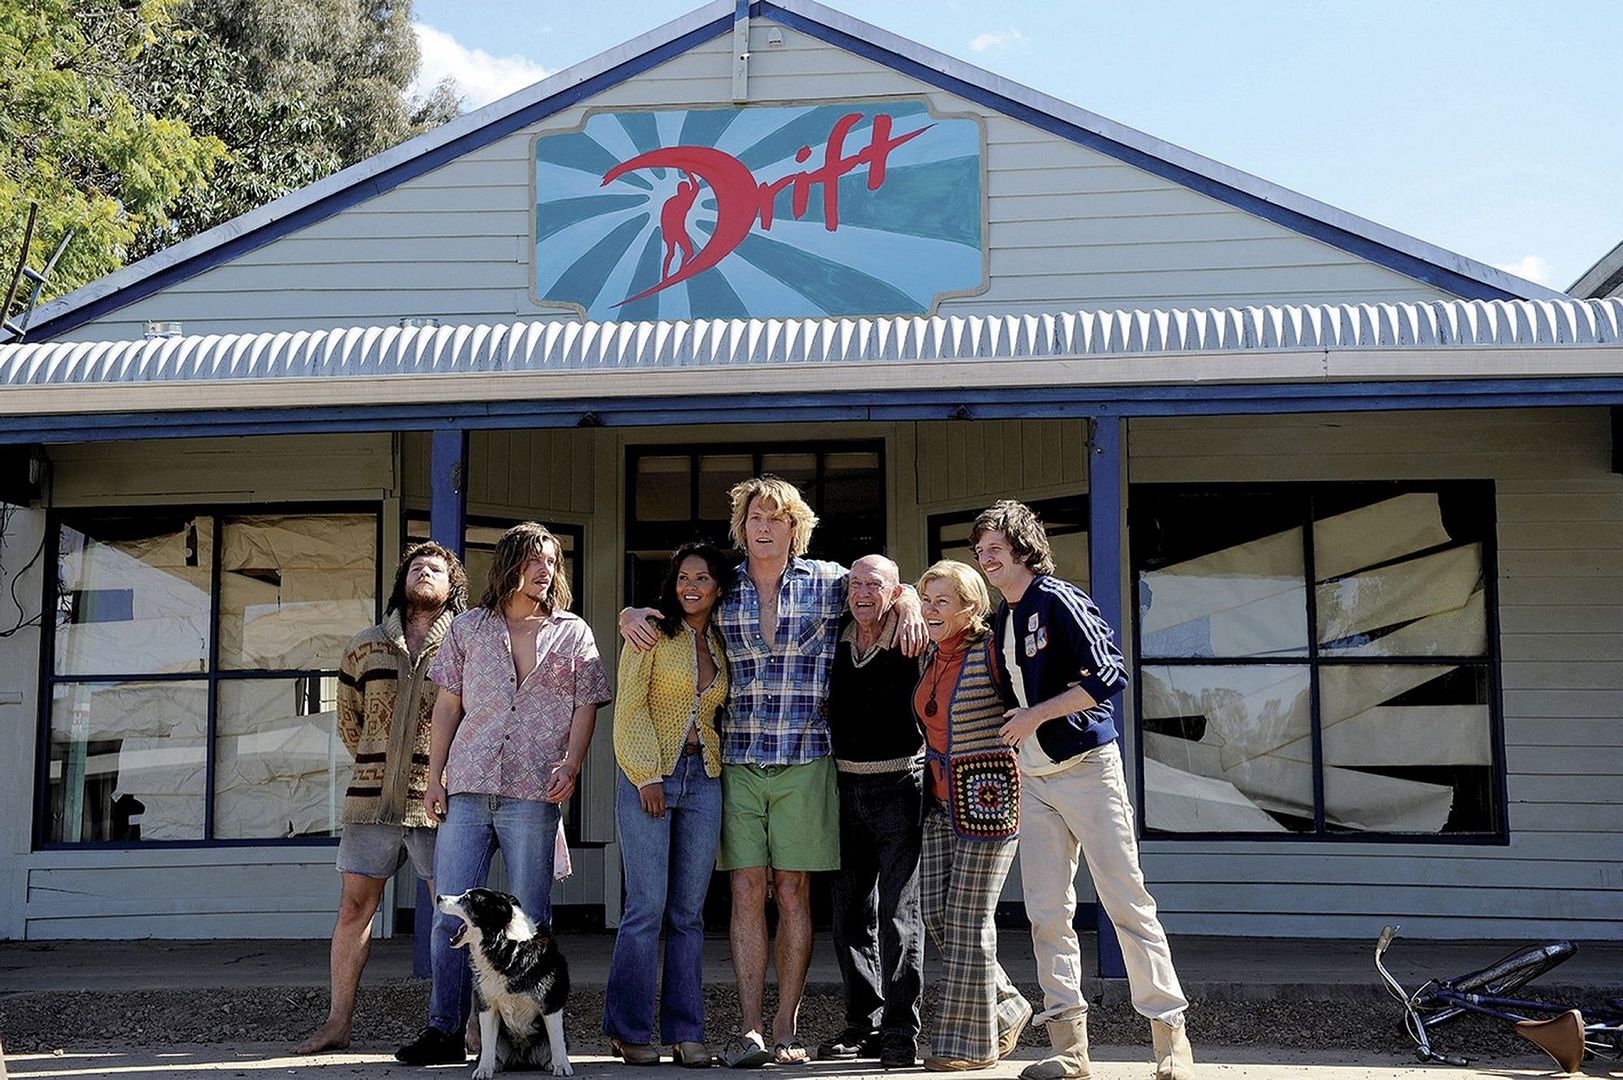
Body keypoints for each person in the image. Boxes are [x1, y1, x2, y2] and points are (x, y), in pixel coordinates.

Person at [620, 475, 924, 1068]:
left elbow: (880, 585)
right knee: (744, 891)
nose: (764, 527)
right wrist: (630, 611)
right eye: (755, 517)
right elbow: (672, 606)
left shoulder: (829, 581)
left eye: (776, 518)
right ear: (743, 527)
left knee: (792, 891)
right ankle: (751, 1028)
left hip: (806, 759)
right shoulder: (724, 585)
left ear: (795, 527)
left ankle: (786, 1026)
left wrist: (909, 597)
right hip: (736, 758)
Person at [972, 500, 1195, 1080]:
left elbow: (1109, 674)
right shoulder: (1001, 618)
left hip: (1088, 769)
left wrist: (1036, 716)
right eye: (980, 551)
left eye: (995, 548)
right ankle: (1070, 1049)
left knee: (1125, 901)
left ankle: (1171, 1040)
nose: (986, 558)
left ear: (1023, 548)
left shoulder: (1059, 599)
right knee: (1047, 912)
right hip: (1033, 778)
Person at [396, 522, 612, 1067]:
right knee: (450, 914)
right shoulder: (468, 628)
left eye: (553, 562)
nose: (546, 571)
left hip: (532, 791)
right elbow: (447, 706)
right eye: (536, 560)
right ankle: (445, 1030)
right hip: (468, 786)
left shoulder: (573, 632)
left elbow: (586, 703)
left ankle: (530, 1040)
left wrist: (573, 762)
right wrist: (435, 777)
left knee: (530, 921)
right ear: (511, 564)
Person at [294, 542, 467, 1055]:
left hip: (439, 802)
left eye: (436, 569)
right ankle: (337, 1024)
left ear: (452, 586)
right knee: (354, 908)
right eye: (417, 567)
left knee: (452, 915)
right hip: (370, 803)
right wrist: (377, 763)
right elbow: (349, 719)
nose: (424, 573)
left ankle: (467, 1027)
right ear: (402, 579)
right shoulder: (365, 645)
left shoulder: (465, 643)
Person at [603, 543, 736, 1069]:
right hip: (650, 777)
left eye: (701, 578)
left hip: (704, 780)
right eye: (683, 577)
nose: (690, 586)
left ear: (718, 587)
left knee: (688, 913)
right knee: (645, 907)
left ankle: (685, 1032)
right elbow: (630, 706)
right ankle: (628, 1029)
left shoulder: (722, 639)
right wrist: (646, 775)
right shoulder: (650, 631)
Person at [913, 560, 1031, 1072]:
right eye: (926, 600)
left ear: (970, 607)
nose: (931, 610)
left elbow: (1034, 695)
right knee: (936, 914)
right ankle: (1007, 1006)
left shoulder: (992, 650)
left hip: (989, 798)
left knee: (968, 919)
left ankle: (968, 1044)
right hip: (939, 801)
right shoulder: (927, 653)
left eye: (943, 601)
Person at [821, 555, 925, 1069]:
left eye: (875, 585)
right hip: (842, 786)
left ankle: (901, 1030)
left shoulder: (912, 635)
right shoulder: (834, 635)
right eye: (855, 584)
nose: (863, 593)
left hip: (900, 785)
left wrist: (912, 604)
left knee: (898, 916)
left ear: (896, 591)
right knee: (849, 915)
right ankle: (862, 1024)